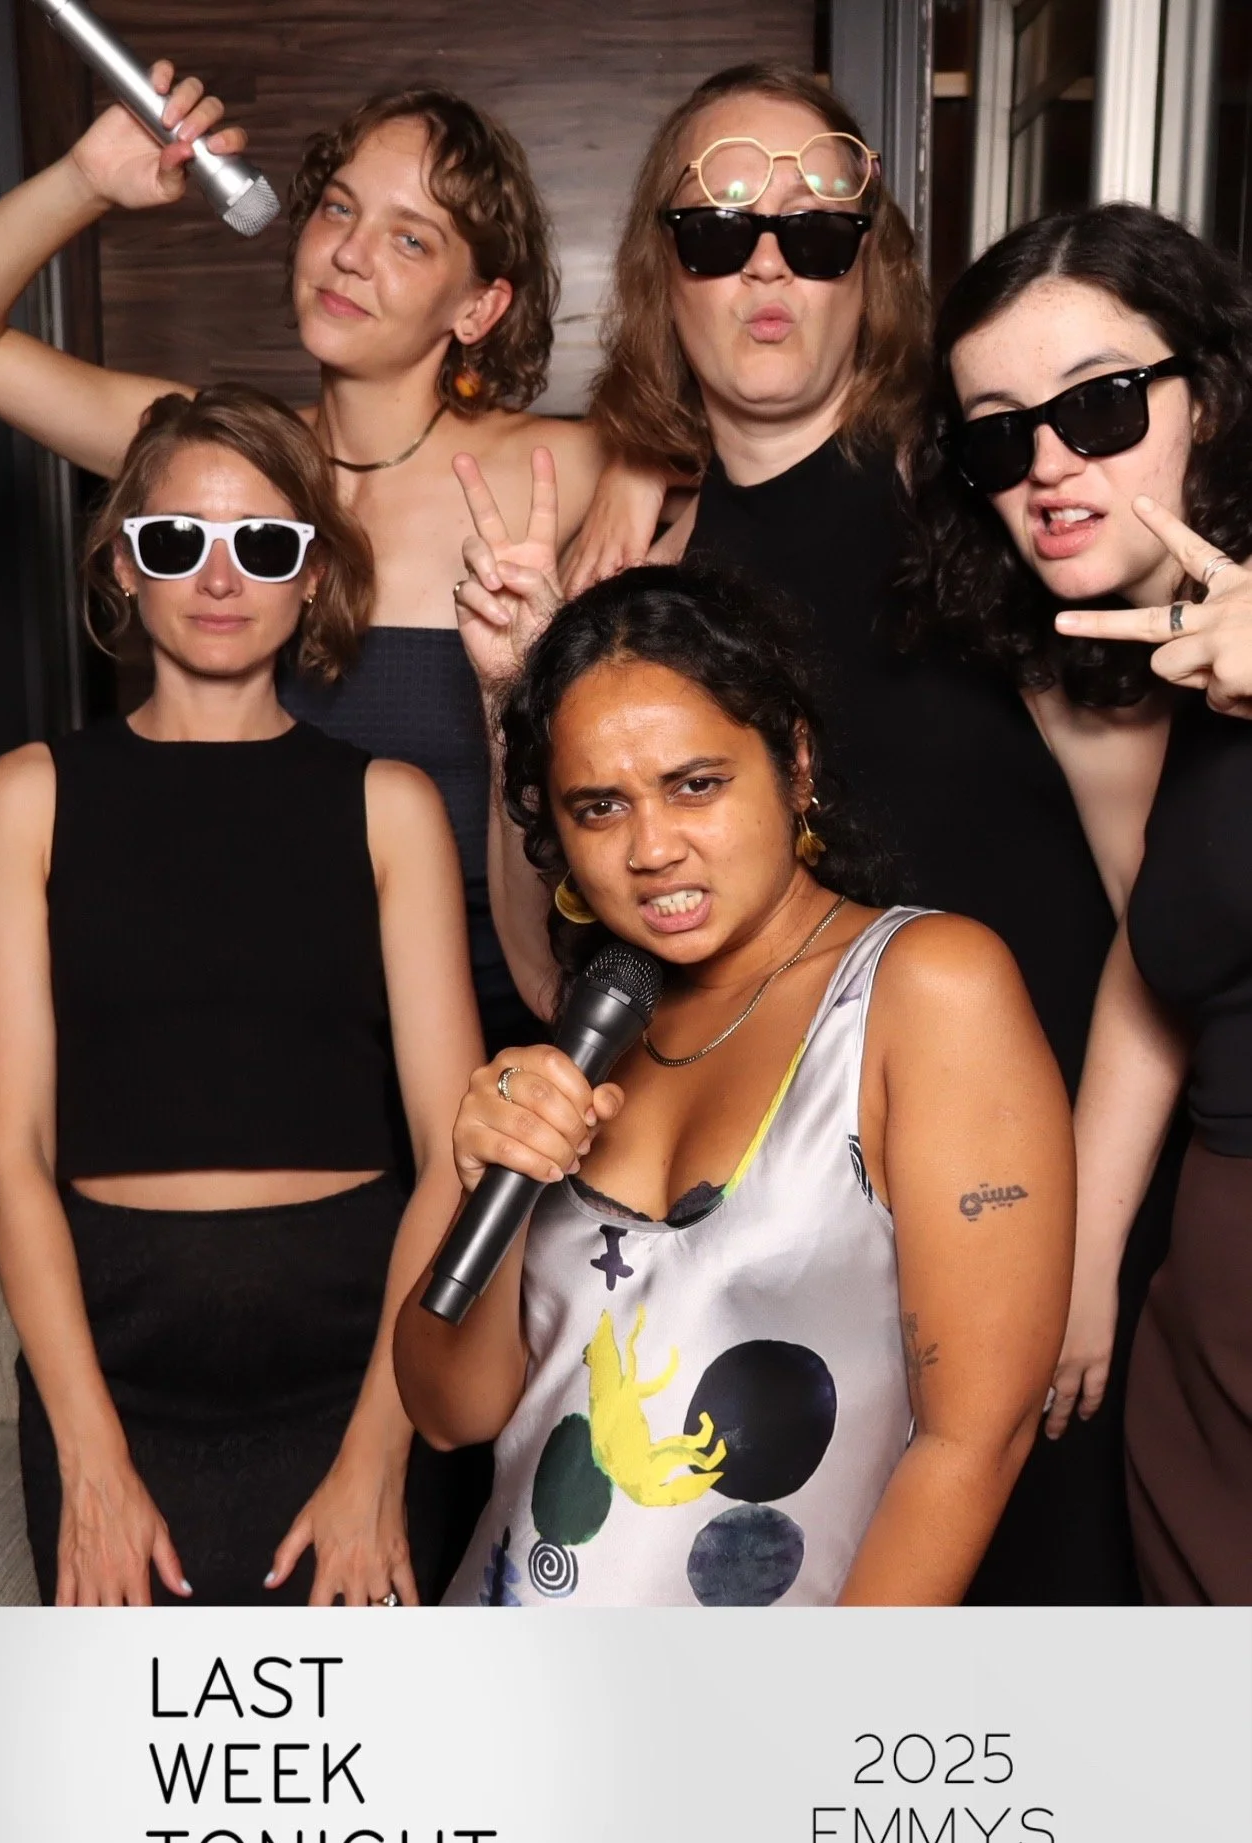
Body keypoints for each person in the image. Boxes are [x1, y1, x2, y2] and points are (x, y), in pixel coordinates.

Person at [450, 65, 1146, 1602]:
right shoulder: (647, 567)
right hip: (774, 1260)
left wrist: (1087, 1249)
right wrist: (515, 706)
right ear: (661, 276)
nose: (766, 267)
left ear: (869, 271)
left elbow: (1147, 919)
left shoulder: (983, 521)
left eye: (812, 233)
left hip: (1031, 1226)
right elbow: (562, 952)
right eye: (717, 231)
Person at [393, 565, 1074, 1607]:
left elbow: (971, 1445)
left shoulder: (923, 988)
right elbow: (451, 1412)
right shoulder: (592, 1028)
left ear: (794, 763)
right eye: (599, 806)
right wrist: (481, 1169)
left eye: (694, 784)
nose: (652, 848)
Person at [0, 65, 642, 1053]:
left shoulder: (559, 471)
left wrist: (649, 462)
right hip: (258, 1022)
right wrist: (85, 181)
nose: (349, 255)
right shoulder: (214, 460)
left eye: (409, 237)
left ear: (476, 307)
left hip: (496, 1027)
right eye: (337, 209)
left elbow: (753, 447)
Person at [0, 384, 483, 1606]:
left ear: (311, 579)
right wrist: (88, 1455)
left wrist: (376, 1453)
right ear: (123, 570)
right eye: (173, 541)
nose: (217, 575)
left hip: (361, 1365)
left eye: (261, 543)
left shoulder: (387, 804)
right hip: (112, 1371)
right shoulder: (27, 797)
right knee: (142, 1774)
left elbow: (453, 1151)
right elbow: (12, 1151)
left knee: (380, 1782)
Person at [908, 205, 1252, 1604]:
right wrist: (1089, 1256)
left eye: (1100, 406)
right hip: (1206, 1320)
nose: (1048, 464)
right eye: (1001, 433)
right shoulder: (1113, 671)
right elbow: (1155, 958)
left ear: (1208, 401)